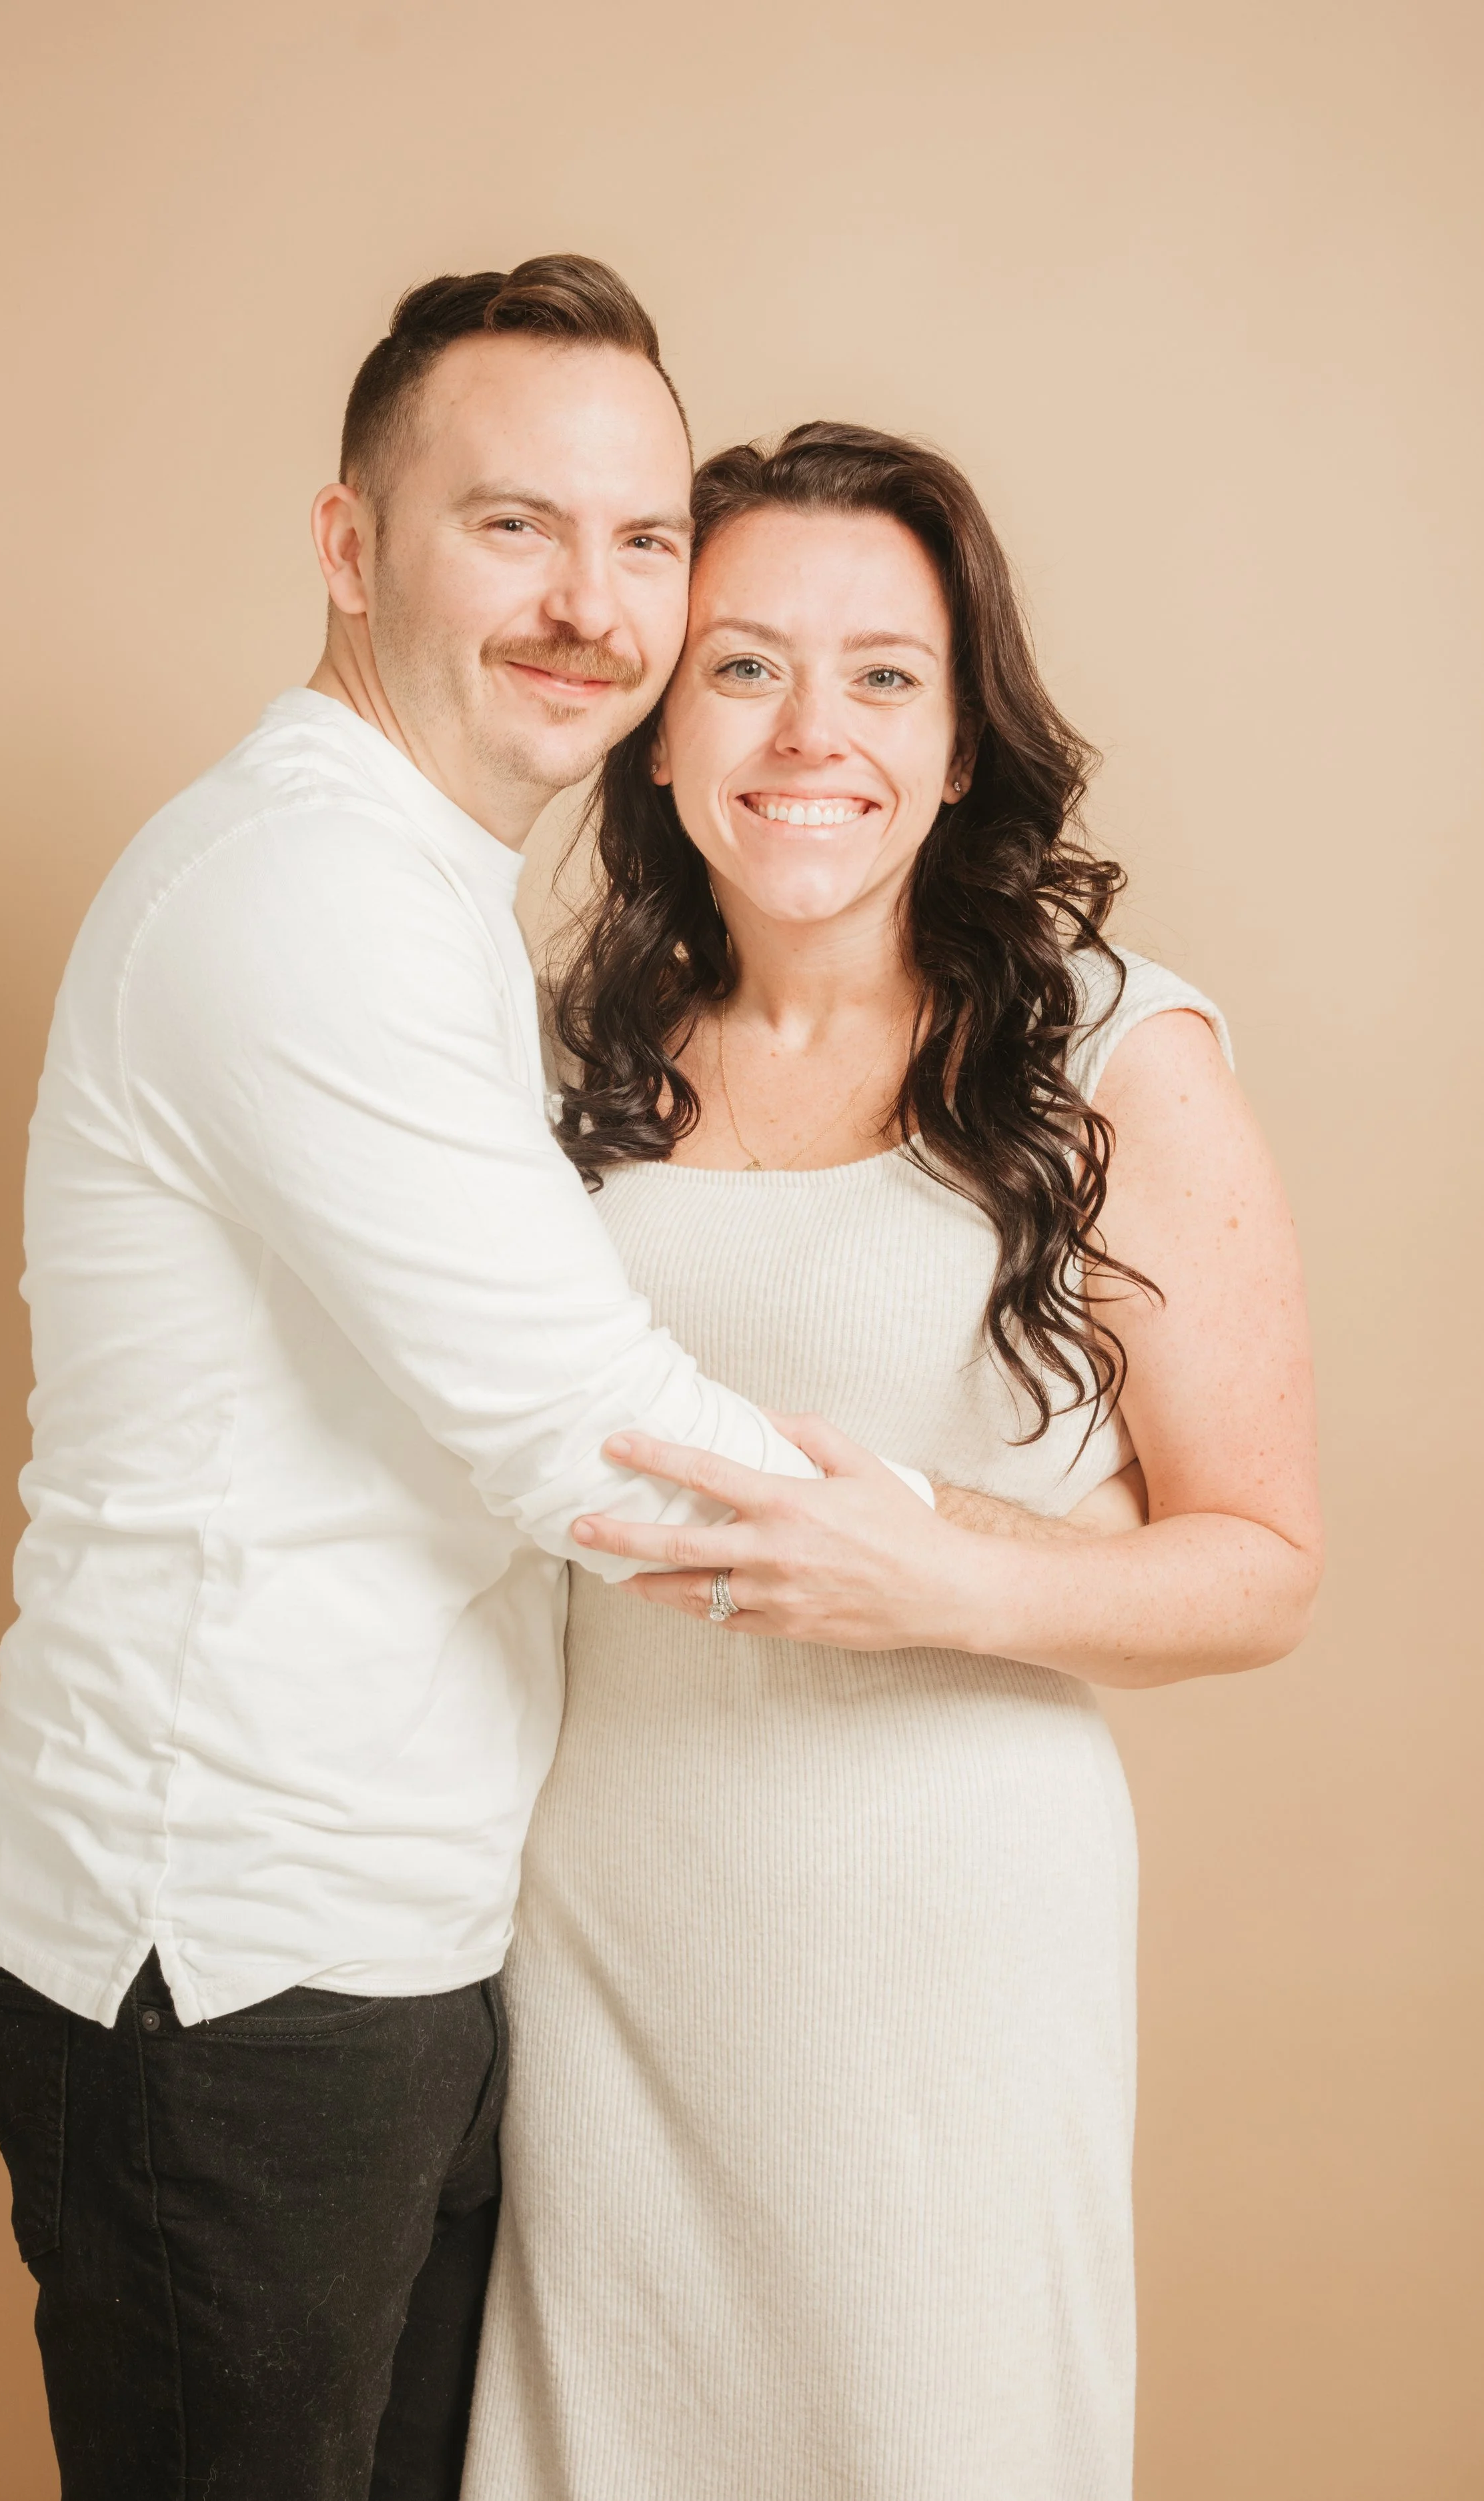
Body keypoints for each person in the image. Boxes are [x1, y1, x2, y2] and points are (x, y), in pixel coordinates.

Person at [0, 261, 926, 2501]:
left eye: (645, 537)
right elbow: (574, 1425)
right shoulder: (309, 892)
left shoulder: (417, 880)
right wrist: (1032, 1568)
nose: (595, 603)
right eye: (512, 527)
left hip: (378, 1936)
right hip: (229, 1959)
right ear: (345, 546)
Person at [461, 424, 1324, 2501]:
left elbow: (1263, 1561)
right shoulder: (565, 1057)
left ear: (956, 746)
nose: (804, 731)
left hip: (943, 1950)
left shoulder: (1113, 1050)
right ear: (659, 728)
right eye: (743, 665)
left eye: (882, 675)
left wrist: (952, 1572)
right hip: (606, 1935)